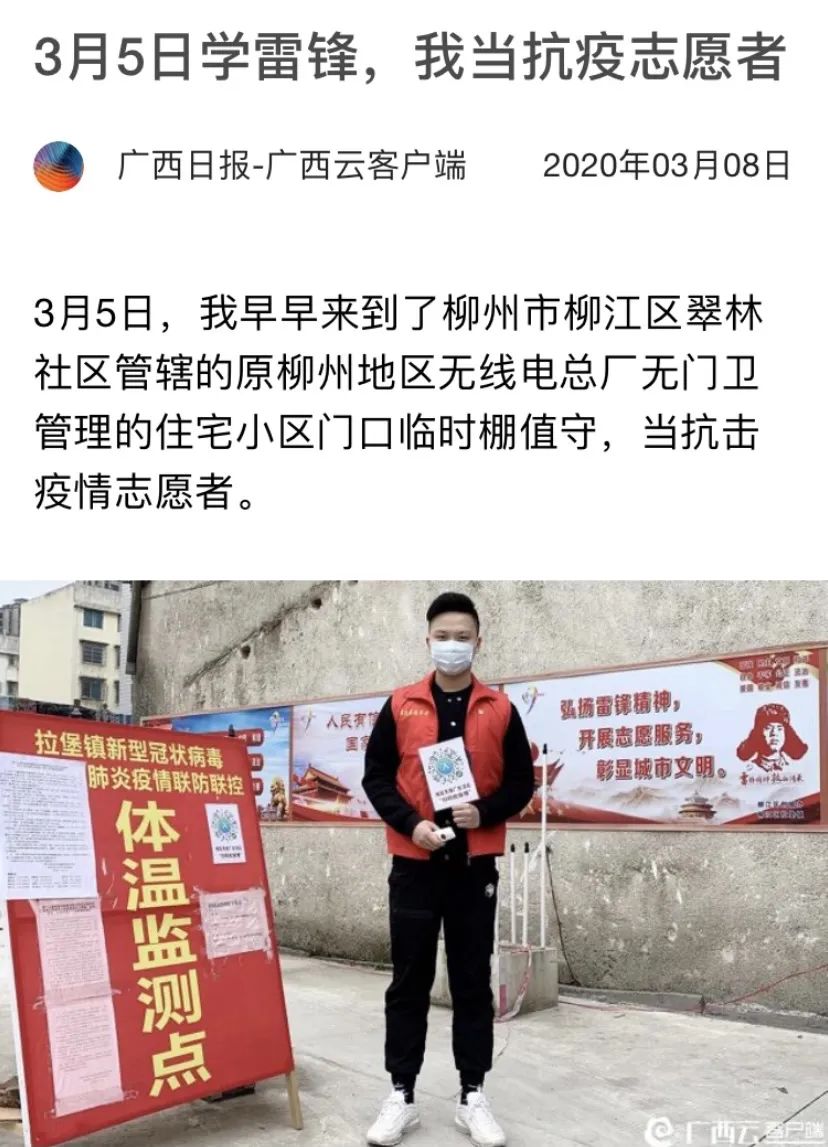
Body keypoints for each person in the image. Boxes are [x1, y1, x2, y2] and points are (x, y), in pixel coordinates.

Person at [362, 592, 535, 1147]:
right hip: (414, 866)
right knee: (408, 983)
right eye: (443, 636)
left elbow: (522, 783)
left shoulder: (500, 709)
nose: (452, 645)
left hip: (472, 868)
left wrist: (484, 811)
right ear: (428, 640)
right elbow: (376, 777)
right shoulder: (402, 704)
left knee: (471, 983)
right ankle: (401, 1095)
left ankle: (472, 1095)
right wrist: (409, 823)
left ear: (478, 642)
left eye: (462, 637)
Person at [736, 703, 808, 772]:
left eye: (779, 729)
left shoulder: (793, 768)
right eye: (768, 728)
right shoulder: (749, 769)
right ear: (758, 733)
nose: (774, 733)